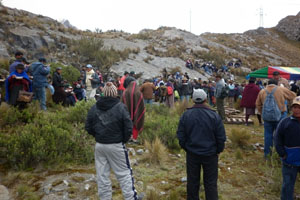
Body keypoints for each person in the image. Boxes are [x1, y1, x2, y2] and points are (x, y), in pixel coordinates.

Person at [85, 82, 143, 200]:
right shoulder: (121, 107)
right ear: (115, 93)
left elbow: (88, 126)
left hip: (100, 145)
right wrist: (123, 139)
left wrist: (98, 136)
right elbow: (128, 127)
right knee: (124, 174)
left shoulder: (95, 107)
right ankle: (131, 198)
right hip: (116, 145)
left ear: (103, 93)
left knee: (102, 176)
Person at [177, 89, 226, 200]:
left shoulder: (186, 115)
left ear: (193, 100)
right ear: (205, 99)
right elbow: (221, 137)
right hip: (210, 154)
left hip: (192, 154)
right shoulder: (214, 116)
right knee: (211, 183)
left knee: (192, 182)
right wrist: (218, 150)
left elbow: (181, 135)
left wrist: (187, 148)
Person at [256, 79, 296, 158]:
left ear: (268, 84)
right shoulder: (280, 89)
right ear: (276, 84)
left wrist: (262, 113)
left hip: (267, 117)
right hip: (280, 116)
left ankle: (267, 155)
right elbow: (293, 95)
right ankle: (279, 155)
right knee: (280, 136)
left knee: (268, 135)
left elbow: (258, 104)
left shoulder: (262, 91)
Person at [275, 96, 300, 200]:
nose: (297, 109)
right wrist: (282, 153)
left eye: (299, 107)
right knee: (287, 186)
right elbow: (277, 138)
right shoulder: (285, 122)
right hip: (289, 161)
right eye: (294, 107)